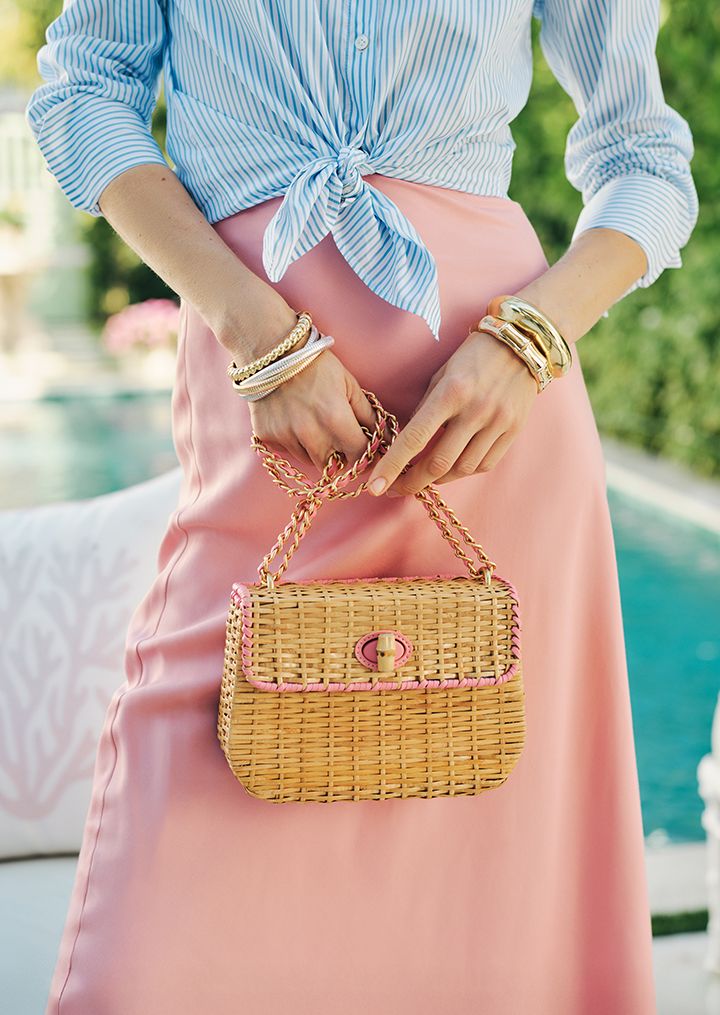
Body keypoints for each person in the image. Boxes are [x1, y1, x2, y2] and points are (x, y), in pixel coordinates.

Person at [25, 1, 697, 1012]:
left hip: (492, 421)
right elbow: (84, 93)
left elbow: (646, 162)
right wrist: (254, 330)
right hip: (261, 413)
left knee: (493, 887)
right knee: (141, 953)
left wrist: (532, 339)